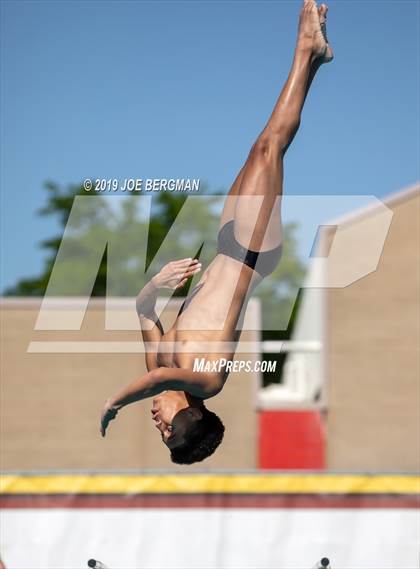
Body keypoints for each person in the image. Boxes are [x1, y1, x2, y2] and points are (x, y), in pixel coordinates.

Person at [100, 0, 333, 464]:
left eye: (162, 433)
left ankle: (314, 56)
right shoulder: (208, 381)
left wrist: (157, 283)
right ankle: (306, 48)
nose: (158, 424)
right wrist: (114, 403)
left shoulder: (160, 365)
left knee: (261, 145)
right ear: (191, 415)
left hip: (230, 242)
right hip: (252, 249)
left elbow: (144, 310)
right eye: (169, 430)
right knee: (271, 146)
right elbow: (148, 387)